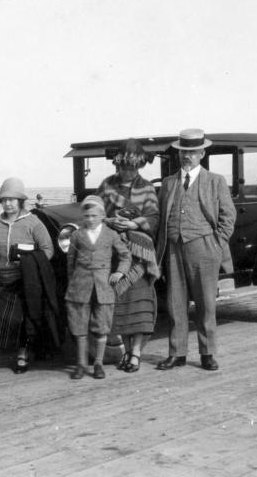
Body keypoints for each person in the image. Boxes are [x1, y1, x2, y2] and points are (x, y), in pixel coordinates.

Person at [156, 128, 236, 371]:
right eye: (183, 152)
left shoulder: (215, 181)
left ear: (202, 153)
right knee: (175, 303)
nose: (186, 156)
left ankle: (207, 353)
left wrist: (215, 244)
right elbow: (160, 217)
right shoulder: (169, 183)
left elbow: (228, 217)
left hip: (204, 247)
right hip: (172, 248)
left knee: (206, 303)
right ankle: (177, 353)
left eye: (192, 151)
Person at [0, 177, 59, 380]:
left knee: (23, 320)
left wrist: (31, 264)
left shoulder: (33, 222)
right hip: (2, 279)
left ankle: (22, 355)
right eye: (4, 200)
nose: (8, 204)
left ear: (20, 201)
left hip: (26, 280)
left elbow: (48, 249)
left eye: (12, 199)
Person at [97, 138, 160, 373]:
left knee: (140, 305)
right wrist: (107, 220)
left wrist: (133, 224)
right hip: (114, 253)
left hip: (140, 255)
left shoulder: (147, 188)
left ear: (139, 166)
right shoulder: (107, 185)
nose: (128, 171)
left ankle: (136, 355)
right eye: (125, 166)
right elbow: (92, 212)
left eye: (133, 167)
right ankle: (124, 351)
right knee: (120, 305)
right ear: (118, 164)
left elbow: (154, 218)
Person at [65, 195, 131, 380]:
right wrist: (73, 283)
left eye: (94, 215)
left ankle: (98, 364)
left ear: (102, 215)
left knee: (102, 327)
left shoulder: (111, 235)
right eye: (86, 216)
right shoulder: (77, 235)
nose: (90, 219)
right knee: (79, 327)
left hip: (103, 287)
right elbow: (70, 262)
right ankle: (80, 364)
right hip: (80, 286)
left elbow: (126, 255)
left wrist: (120, 272)